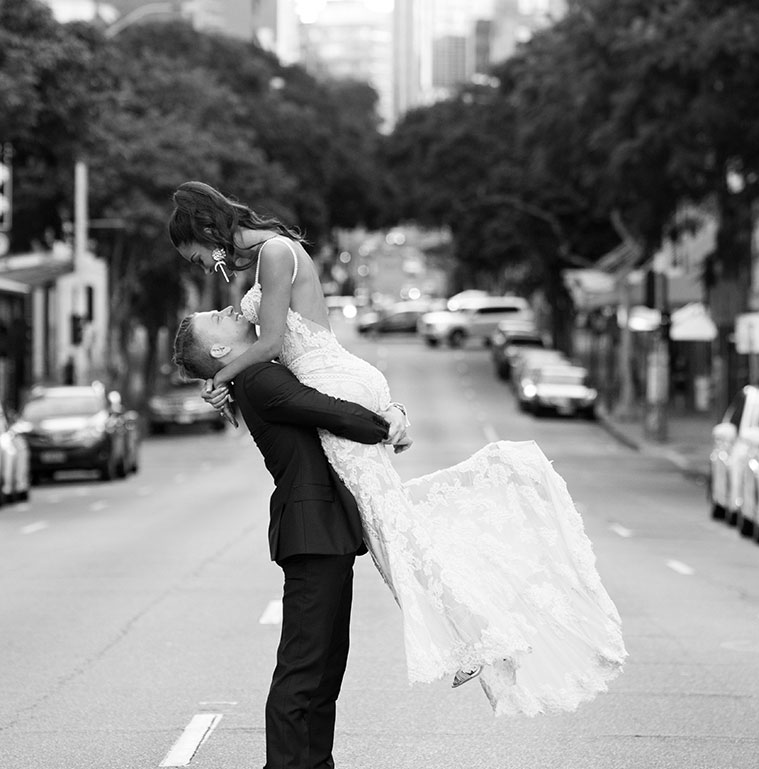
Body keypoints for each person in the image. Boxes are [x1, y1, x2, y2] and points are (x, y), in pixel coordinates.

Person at [169, 182, 626, 715]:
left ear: (206, 232)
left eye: (195, 255)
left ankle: (478, 633)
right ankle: (475, 632)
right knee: (386, 518)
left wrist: (219, 376)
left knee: (387, 523)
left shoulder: (272, 253)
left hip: (332, 381)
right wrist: (221, 374)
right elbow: (251, 338)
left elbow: (271, 344)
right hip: (342, 380)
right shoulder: (267, 252)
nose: (201, 266)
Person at [173, 310, 409, 769]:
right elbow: (326, 409)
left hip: (327, 527)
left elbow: (326, 385)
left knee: (327, 665)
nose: (228, 309)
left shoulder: (251, 372)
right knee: (303, 666)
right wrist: (389, 423)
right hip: (310, 529)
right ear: (218, 351)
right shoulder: (256, 375)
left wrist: (392, 410)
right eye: (215, 317)